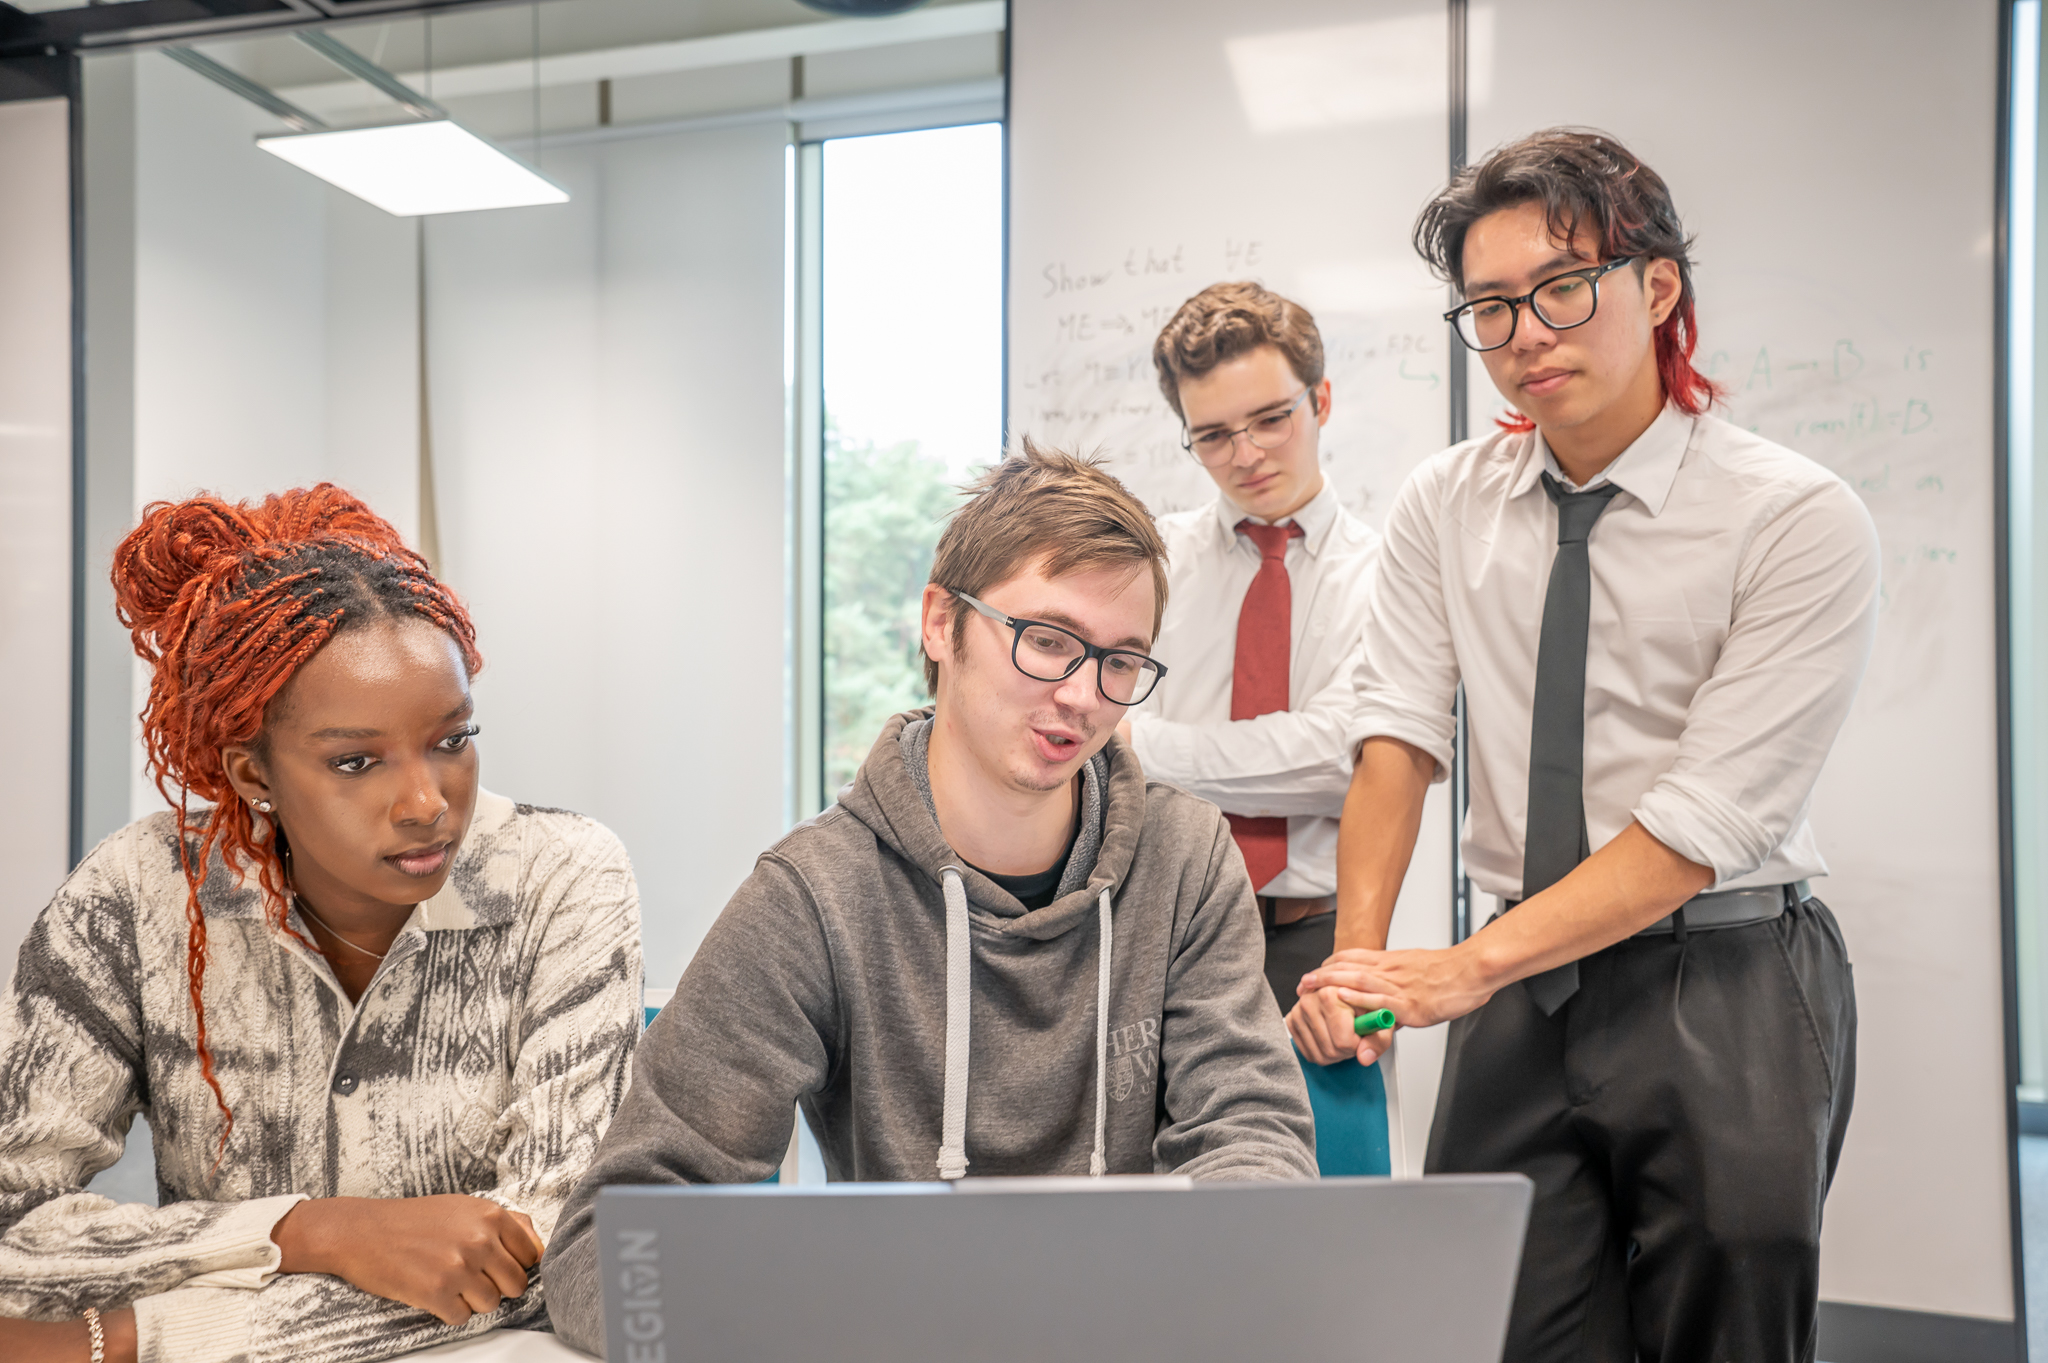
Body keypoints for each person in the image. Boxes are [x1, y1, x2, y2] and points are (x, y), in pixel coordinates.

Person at [1291, 129, 1877, 1360]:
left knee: (1724, 1336)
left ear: (1654, 286)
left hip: (1725, 978)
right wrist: (1358, 967)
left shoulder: (1794, 517)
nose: (1524, 335)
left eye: (1560, 288)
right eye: (1490, 307)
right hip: (1524, 990)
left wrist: (1462, 969)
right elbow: (1395, 734)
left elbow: (1700, 824)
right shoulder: (1444, 501)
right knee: (1493, 1320)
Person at [543, 443, 1318, 1356]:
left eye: (1121, 661)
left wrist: (1187, 1295)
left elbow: (1253, 1139)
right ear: (941, 622)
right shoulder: (815, 896)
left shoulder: (1185, 860)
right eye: (1049, 640)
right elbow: (613, 1241)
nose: (1081, 694)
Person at [0, 487, 643, 1363]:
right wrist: (314, 1231)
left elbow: (555, 1251)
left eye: (452, 740)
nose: (426, 803)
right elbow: (15, 1231)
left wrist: (129, 1337)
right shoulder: (138, 890)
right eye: (355, 760)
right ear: (251, 771)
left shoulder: (563, 875)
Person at [1127, 281, 1381, 1013]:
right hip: (1160, 931)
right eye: (1212, 435)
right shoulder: (1151, 564)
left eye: (1272, 419)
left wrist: (1143, 747)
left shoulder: (1391, 571)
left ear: (1320, 402)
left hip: (1318, 943)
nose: (1247, 455)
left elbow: (1343, 758)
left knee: (1325, 1132)